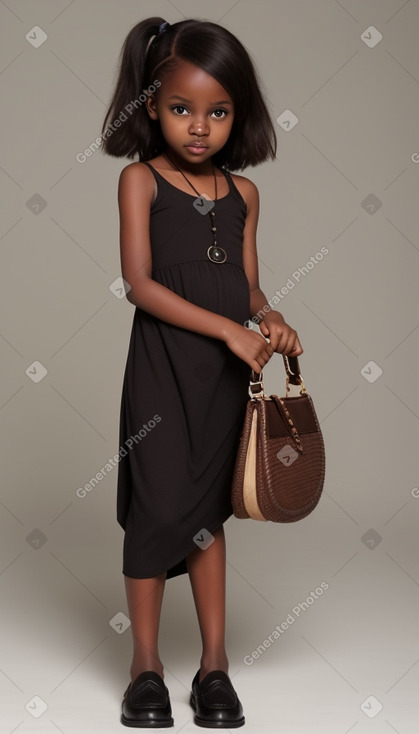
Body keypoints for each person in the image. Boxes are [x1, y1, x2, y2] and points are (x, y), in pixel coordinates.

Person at [101, 16, 303, 728]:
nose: (198, 127)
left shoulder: (243, 196)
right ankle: (145, 664)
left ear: (237, 115)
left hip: (225, 377)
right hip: (163, 371)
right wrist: (226, 328)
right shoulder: (140, 181)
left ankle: (213, 665)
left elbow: (246, 288)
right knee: (157, 509)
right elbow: (140, 284)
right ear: (151, 105)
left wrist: (268, 317)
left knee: (207, 517)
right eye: (181, 108)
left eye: (217, 112)